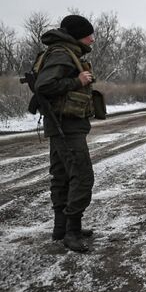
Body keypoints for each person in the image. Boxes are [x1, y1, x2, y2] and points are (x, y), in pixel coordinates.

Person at [35, 14, 96, 253]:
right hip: (65, 127)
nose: (92, 39)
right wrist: (77, 82)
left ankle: (61, 229)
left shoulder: (63, 52)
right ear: (79, 35)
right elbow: (44, 86)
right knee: (82, 177)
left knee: (61, 176)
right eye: (89, 34)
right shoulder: (62, 54)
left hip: (62, 124)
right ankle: (71, 231)